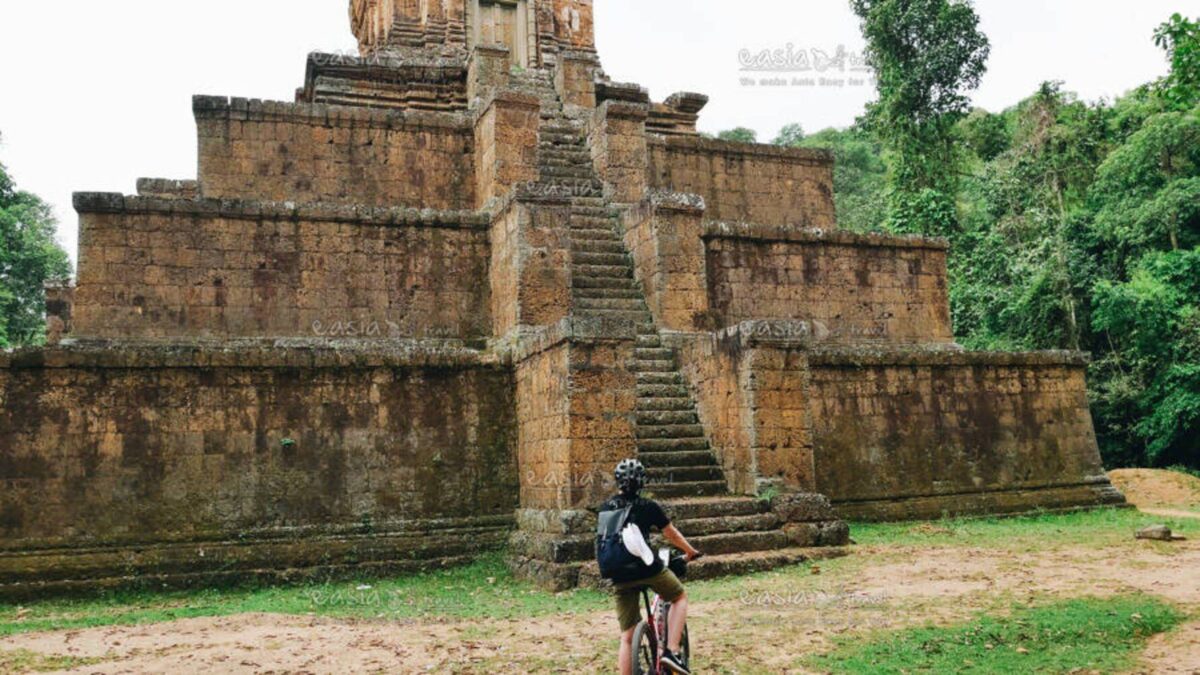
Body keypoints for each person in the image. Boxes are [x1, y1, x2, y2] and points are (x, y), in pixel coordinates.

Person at [602, 459, 702, 675]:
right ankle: (671, 652)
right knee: (679, 597)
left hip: (618, 574)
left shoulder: (606, 507)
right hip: (645, 568)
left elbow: (607, 541)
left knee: (627, 637)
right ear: (641, 483)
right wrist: (690, 551)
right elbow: (671, 534)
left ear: (618, 482)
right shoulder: (648, 506)